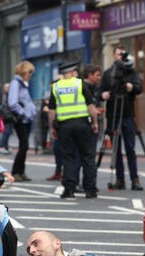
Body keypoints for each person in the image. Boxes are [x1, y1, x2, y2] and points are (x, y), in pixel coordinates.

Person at [49, 61, 98, 199]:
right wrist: (95, 123)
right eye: (75, 72)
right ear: (71, 73)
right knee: (87, 156)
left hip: (64, 126)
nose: (77, 74)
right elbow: (91, 106)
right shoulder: (80, 84)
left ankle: (69, 189)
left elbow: (51, 111)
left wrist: (52, 127)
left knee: (68, 157)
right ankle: (90, 189)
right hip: (82, 124)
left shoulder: (56, 87)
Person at [100, 45, 143, 191]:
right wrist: (103, 95)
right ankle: (119, 179)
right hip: (113, 115)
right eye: (118, 54)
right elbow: (100, 91)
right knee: (116, 149)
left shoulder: (131, 72)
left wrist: (132, 87)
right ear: (113, 55)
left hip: (128, 114)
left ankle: (135, 179)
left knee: (130, 148)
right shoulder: (108, 74)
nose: (120, 57)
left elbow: (139, 88)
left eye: (123, 54)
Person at [8, 61, 37, 182]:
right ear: (24, 71)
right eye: (29, 72)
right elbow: (12, 102)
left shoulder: (24, 84)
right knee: (24, 145)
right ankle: (16, 172)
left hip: (26, 120)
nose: (31, 75)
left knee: (24, 146)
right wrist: (24, 113)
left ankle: (21, 171)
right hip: (21, 120)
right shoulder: (16, 84)